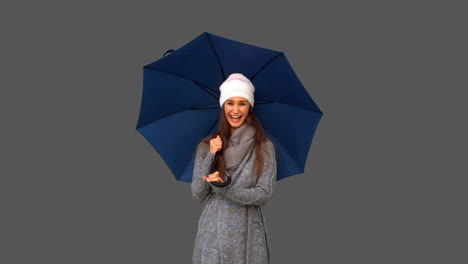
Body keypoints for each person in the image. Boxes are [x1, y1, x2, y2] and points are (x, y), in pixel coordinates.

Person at [191, 73, 277, 264]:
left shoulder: (264, 147)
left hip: (247, 236)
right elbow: (198, 194)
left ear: (250, 107)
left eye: (242, 103)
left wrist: (226, 187)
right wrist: (211, 156)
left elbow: (264, 194)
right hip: (213, 234)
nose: (235, 110)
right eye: (230, 103)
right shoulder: (207, 146)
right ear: (223, 106)